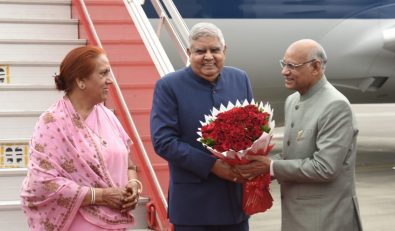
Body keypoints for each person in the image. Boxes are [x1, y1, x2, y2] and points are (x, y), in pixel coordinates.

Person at [236, 39, 363, 231]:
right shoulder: (292, 100)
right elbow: (294, 155)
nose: (284, 71)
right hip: (297, 215)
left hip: (326, 218)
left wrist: (271, 167)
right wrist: (258, 165)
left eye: (292, 66)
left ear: (316, 67)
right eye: (284, 64)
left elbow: (324, 168)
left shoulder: (335, 105)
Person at [20, 46, 143, 230]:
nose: (110, 80)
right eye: (103, 73)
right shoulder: (52, 122)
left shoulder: (107, 116)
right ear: (81, 81)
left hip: (114, 224)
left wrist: (133, 185)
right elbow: (42, 182)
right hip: (77, 223)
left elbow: (129, 164)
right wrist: (101, 196)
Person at [150, 22, 253, 230]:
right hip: (194, 209)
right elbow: (163, 141)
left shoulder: (240, 79)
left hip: (234, 205)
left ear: (225, 50)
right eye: (200, 51)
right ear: (189, 53)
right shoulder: (169, 86)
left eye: (214, 50)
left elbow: (252, 130)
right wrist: (212, 165)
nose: (208, 57)